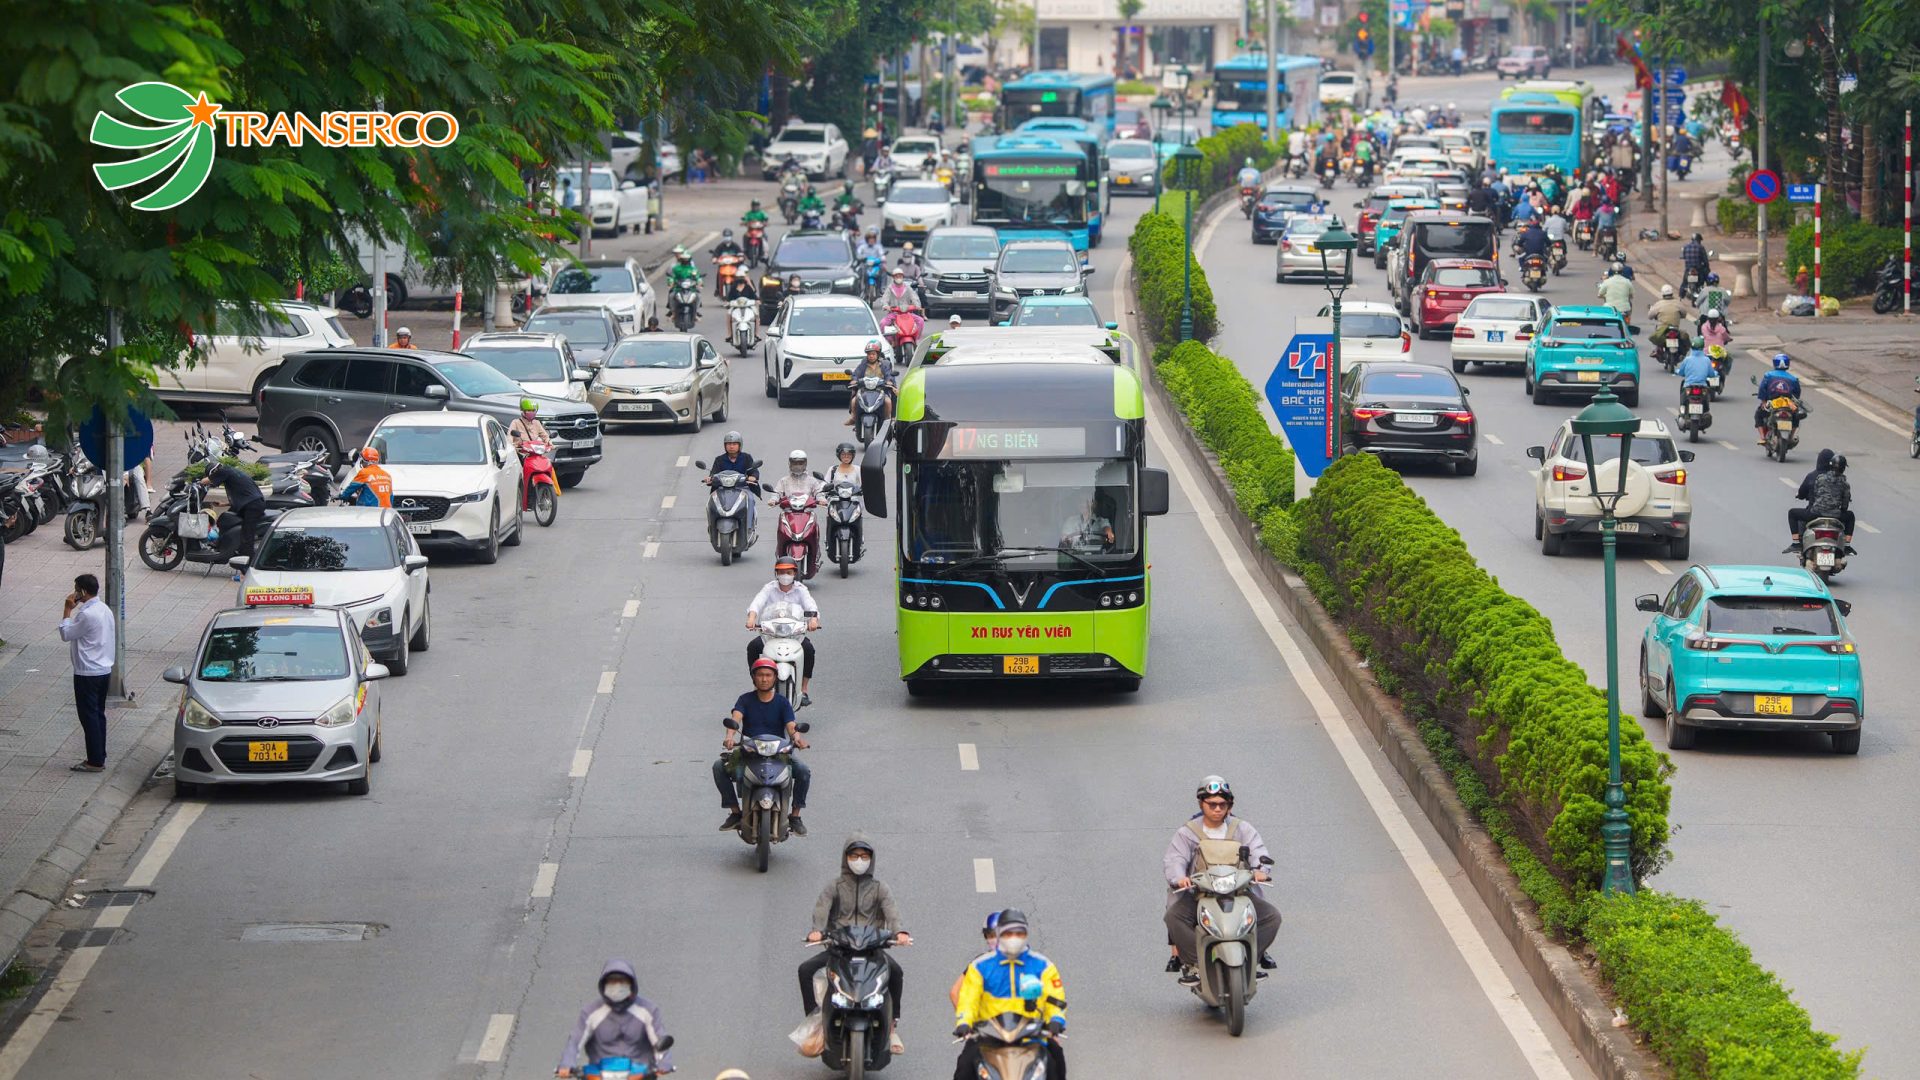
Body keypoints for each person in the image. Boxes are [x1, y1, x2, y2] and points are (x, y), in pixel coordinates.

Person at [800, 834, 911, 1055]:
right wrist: (817, 931)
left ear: (871, 859)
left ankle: (891, 1027)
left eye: (864, 856)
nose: (859, 860)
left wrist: (900, 932)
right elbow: (822, 908)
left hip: (872, 951)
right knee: (805, 970)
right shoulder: (835, 886)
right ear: (846, 858)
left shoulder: (880, 888)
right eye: (854, 855)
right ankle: (817, 1023)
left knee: (896, 972)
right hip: (839, 949)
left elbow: (892, 911)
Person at [1163, 776, 1281, 981]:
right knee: (1174, 917)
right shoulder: (1188, 832)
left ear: (1229, 805)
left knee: (1271, 917)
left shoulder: (1242, 829)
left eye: (1222, 804)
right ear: (1202, 804)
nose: (1217, 809)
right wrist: (1180, 877)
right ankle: (1195, 964)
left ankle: (1253, 958)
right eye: (1212, 804)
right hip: (1200, 894)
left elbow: (1257, 851)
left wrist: (1261, 869)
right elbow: (1176, 858)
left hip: (1238, 893)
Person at [952, 910, 1068, 1080]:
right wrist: (964, 1022)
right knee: (964, 1068)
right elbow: (968, 999)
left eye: (1019, 933)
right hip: (989, 1036)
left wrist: (1056, 1021)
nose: (1014, 937)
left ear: (1026, 935)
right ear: (999, 934)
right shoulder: (980, 966)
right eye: (1008, 933)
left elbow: (1055, 999)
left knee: (1055, 1059)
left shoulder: (1043, 966)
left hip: (1031, 1036)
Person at [714, 657, 810, 833]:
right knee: (719, 767)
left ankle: (795, 816)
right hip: (749, 751)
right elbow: (736, 718)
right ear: (754, 677)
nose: (764, 679)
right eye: (760, 675)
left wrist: (797, 738)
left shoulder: (782, 703)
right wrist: (729, 736)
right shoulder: (745, 700)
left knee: (803, 771)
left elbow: (791, 726)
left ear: (774, 678)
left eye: (768, 675)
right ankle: (735, 813)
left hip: (778, 752)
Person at [554, 960, 673, 1077]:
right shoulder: (590, 1012)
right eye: (612, 982)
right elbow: (575, 1040)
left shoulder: (648, 1010)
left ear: (632, 985)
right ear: (603, 985)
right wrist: (567, 1064)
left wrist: (664, 1063)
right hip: (600, 1074)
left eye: (622, 981)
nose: (617, 986)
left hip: (639, 1074)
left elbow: (659, 1038)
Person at [59, 574, 114, 772]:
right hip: (103, 670)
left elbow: (66, 634)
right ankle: (100, 754)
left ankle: (94, 761)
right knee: (98, 714)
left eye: (76, 589)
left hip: (87, 672)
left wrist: (67, 610)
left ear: (82, 591)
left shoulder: (86, 614)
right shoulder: (104, 609)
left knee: (88, 716)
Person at [746, 554, 819, 702]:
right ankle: (757, 684)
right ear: (776, 574)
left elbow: (811, 605)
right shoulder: (769, 588)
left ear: (794, 573)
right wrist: (752, 618)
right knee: (753, 647)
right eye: (781, 572)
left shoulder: (801, 589)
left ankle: (804, 689)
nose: (785, 575)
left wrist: (814, 619)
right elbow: (757, 603)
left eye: (789, 572)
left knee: (809, 650)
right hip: (771, 635)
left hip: (794, 635)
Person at [199, 457, 267, 555]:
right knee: (225, 519)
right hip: (249, 503)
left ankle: (247, 562)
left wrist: (197, 483)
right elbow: (242, 494)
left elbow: (205, 481)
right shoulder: (231, 472)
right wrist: (224, 504)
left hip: (252, 506)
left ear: (214, 471)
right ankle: (222, 543)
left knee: (247, 535)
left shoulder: (223, 470)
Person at [1789, 451, 1854, 551]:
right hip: (1835, 516)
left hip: (1815, 513)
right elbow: (1845, 506)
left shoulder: (1820, 478)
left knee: (1792, 513)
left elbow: (1815, 495)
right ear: (1843, 468)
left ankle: (1796, 543)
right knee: (1851, 516)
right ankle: (1847, 545)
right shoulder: (1845, 485)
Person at [706, 431, 761, 531]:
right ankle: (712, 526)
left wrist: (753, 477)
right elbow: (713, 473)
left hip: (742, 488)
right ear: (725, 446)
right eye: (729, 444)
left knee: (750, 499)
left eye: (734, 444)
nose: (731, 446)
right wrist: (710, 478)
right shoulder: (719, 459)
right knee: (711, 501)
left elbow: (754, 472)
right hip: (723, 488)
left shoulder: (746, 457)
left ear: (740, 445)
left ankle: (749, 527)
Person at [1754, 353, 1805, 446]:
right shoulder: (1794, 379)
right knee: (1796, 418)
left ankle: (1762, 437)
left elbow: (1762, 389)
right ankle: (1792, 436)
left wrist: (1763, 402)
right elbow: (1797, 394)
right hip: (1788, 405)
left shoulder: (1768, 375)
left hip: (1772, 404)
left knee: (1758, 415)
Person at [845, 341, 896, 427]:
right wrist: (854, 380)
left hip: (881, 390)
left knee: (888, 402)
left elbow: (889, 374)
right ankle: (853, 417)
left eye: (873, 354)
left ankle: (887, 420)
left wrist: (889, 381)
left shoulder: (885, 364)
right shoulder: (863, 364)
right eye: (869, 354)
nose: (871, 356)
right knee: (854, 401)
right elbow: (856, 373)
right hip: (865, 390)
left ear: (878, 354)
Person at [1676, 344, 1715, 413]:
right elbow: (1712, 374)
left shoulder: (1687, 359)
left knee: (1683, 395)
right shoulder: (1707, 360)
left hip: (1688, 385)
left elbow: (1681, 372)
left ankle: (1682, 409)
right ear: (1702, 348)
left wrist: (1678, 371)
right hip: (1703, 386)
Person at [710, 229, 744, 298]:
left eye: (728, 236)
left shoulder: (735, 246)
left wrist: (741, 257)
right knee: (718, 274)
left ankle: (742, 288)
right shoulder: (720, 246)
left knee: (742, 275)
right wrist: (714, 259)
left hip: (734, 266)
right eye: (726, 236)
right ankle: (717, 289)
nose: (727, 237)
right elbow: (715, 254)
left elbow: (740, 253)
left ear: (731, 236)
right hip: (723, 265)